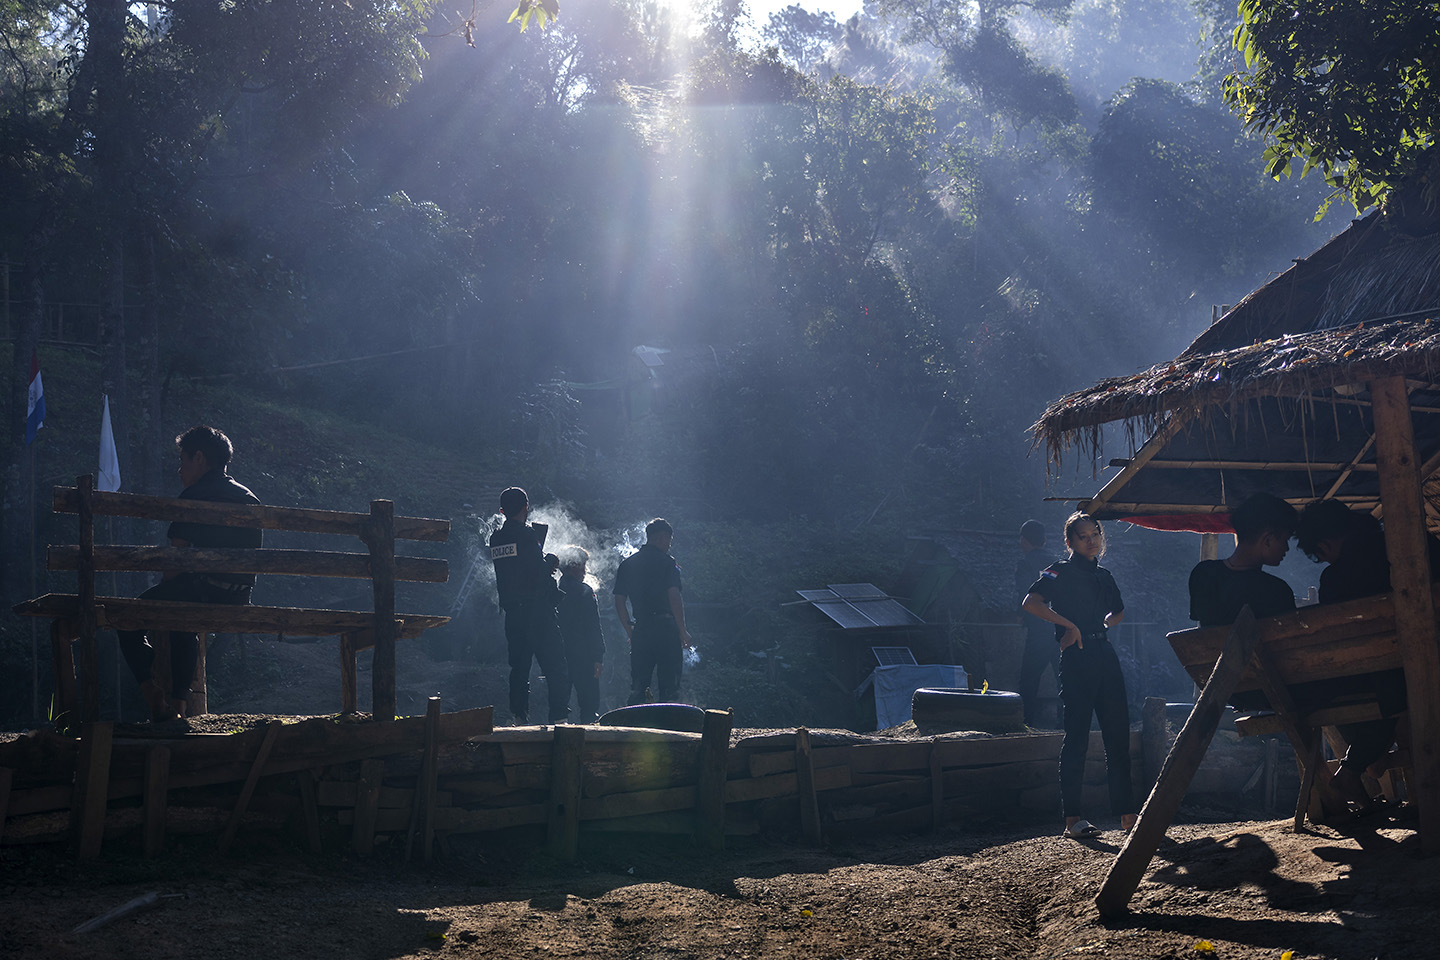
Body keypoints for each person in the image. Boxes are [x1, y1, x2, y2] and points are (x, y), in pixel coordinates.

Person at [117, 426, 262, 722]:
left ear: (199, 458)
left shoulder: (195, 495)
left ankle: (153, 695)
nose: (179, 468)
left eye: (183, 459)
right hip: (237, 597)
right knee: (183, 617)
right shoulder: (249, 497)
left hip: (201, 589)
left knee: (127, 618)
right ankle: (180, 705)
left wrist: (164, 591)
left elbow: (175, 558)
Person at [1022, 512, 1137, 839]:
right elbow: (1031, 602)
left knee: (1118, 735)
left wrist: (1100, 625)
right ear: (1069, 541)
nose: (1091, 541)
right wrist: (1069, 626)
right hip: (1076, 657)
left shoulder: (1105, 575)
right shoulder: (1058, 570)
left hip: (1105, 656)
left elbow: (1119, 612)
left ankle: (1128, 816)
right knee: (1077, 738)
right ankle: (1073, 820)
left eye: (1095, 534)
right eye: (1083, 536)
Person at [1295, 498, 1409, 811]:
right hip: (1421, 665)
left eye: (1320, 556)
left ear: (1325, 544)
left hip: (1385, 679)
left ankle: (1361, 764)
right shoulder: (1408, 541)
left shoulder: (1337, 578)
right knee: (1392, 693)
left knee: (1368, 692)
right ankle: (1364, 763)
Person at [489, 487, 569, 725]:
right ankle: (559, 719)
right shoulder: (527, 535)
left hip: (513, 613)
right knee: (555, 665)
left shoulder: (496, 539)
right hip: (538, 613)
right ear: (526, 507)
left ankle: (519, 718)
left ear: (502, 510)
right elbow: (537, 573)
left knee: (519, 668)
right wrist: (551, 561)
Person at [1188, 492, 1298, 629]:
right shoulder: (1277, 591)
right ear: (1268, 540)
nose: (1286, 548)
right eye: (1285, 540)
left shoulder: (1203, 574)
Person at [613, 518, 690, 705]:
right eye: (669, 541)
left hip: (641, 629)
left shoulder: (628, 564)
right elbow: (674, 596)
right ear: (662, 538)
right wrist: (682, 630)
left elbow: (619, 600)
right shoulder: (667, 563)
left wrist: (628, 629)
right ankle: (669, 730)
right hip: (666, 629)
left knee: (639, 685)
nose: (669, 546)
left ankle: (633, 729)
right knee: (669, 686)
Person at [1016, 519, 1060, 728]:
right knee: (1064, 678)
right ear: (1043, 540)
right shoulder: (1056, 562)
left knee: (1028, 679)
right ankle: (1067, 723)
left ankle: (1025, 724)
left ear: (1024, 540)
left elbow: (1026, 596)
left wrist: (1021, 615)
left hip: (1040, 629)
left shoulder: (1026, 563)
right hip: (1060, 628)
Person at [557, 546, 606, 723]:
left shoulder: (553, 590)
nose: (585, 570)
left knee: (559, 704)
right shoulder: (584, 591)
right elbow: (593, 626)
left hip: (558, 654)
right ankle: (590, 737)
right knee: (589, 702)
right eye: (583, 565)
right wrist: (598, 656)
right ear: (574, 565)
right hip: (583, 654)